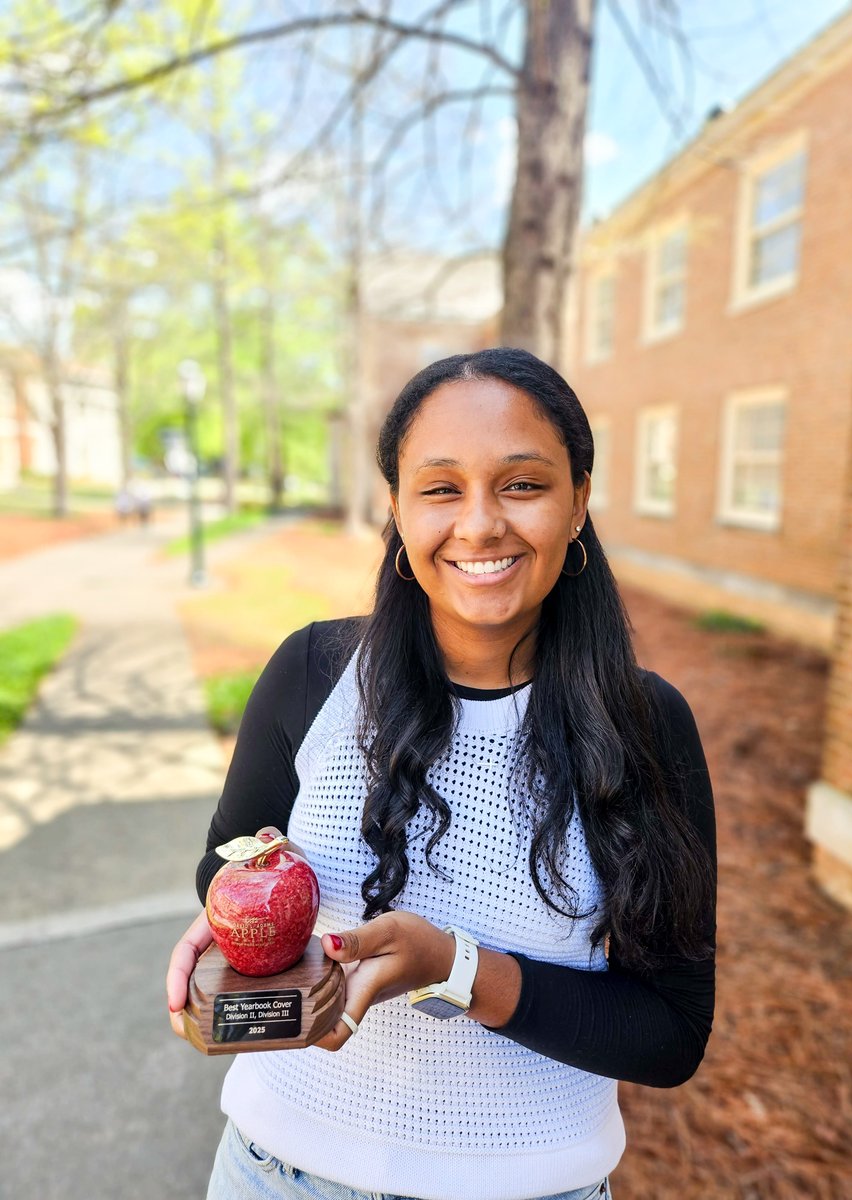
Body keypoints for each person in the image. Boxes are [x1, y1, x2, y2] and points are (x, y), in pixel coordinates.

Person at [167, 348, 717, 1200]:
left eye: (523, 484)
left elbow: (669, 1033)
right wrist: (234, 911)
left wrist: (453, 967)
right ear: (396, 508)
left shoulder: (643, 727)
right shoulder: (312, 673)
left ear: (578, 503)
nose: (480, 524)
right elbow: (224, 858)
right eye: (441, 488)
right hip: (274, 1174)